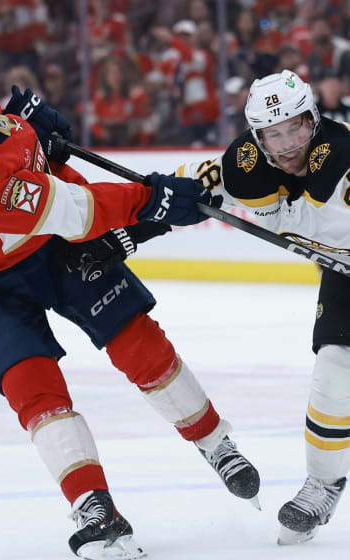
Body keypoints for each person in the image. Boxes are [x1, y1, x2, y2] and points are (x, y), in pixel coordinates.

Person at [0, 59, 260, 560]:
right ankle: (94, 506)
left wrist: (35, 134)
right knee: (34, 389)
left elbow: (20, 146)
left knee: (137, 339)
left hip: (46, 247)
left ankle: (216, 443)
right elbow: (75, 211)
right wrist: (150, 201)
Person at [77, 68, 350, 547]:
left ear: (314, 119)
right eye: (273, 134)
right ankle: (323, 484)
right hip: (344, 271)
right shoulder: (246, 165)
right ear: (257, 137)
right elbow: (182, 192)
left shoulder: (342, 159)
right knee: (334, 371)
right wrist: (125, 235)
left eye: (296, 128)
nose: (288, 144)